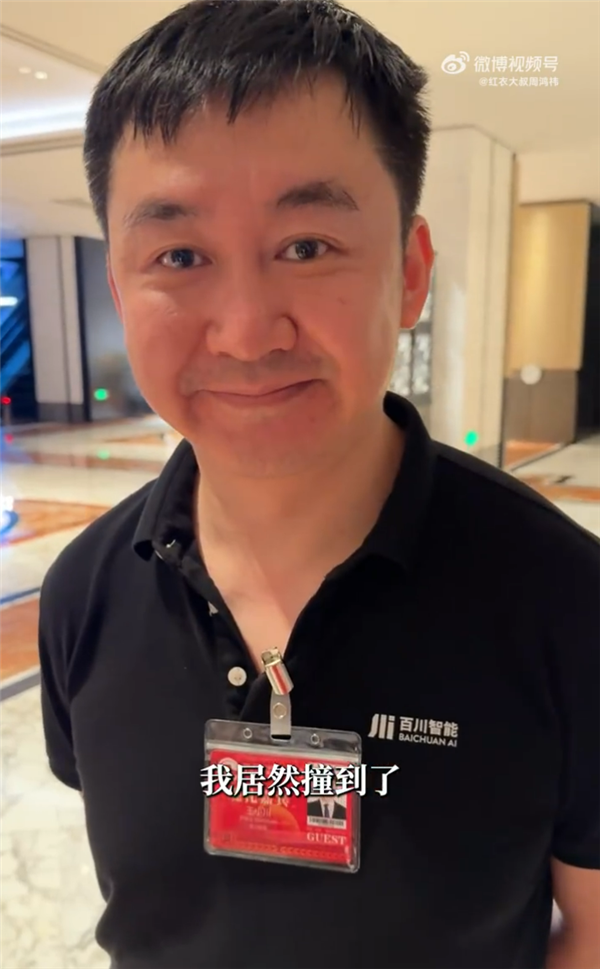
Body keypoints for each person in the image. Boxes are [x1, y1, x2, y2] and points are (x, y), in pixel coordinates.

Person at [39, 1, 600, 967]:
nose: (247, 331)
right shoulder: (83, 594)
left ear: (411, 272)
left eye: (306, 246)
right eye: (180, 256)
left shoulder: (565, 600)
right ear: (124, 293)